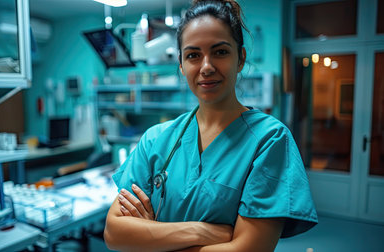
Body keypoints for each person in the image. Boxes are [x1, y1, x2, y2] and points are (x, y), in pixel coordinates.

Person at [104, 0, 318, 251]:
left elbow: (249, 249)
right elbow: (114, 232)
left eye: (220, 52)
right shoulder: (156, 139)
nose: (206, 67)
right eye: (193, 55)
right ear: (182, 66)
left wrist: (152, 237)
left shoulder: (269, 140)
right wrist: (200, 231)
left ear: (240, 58)